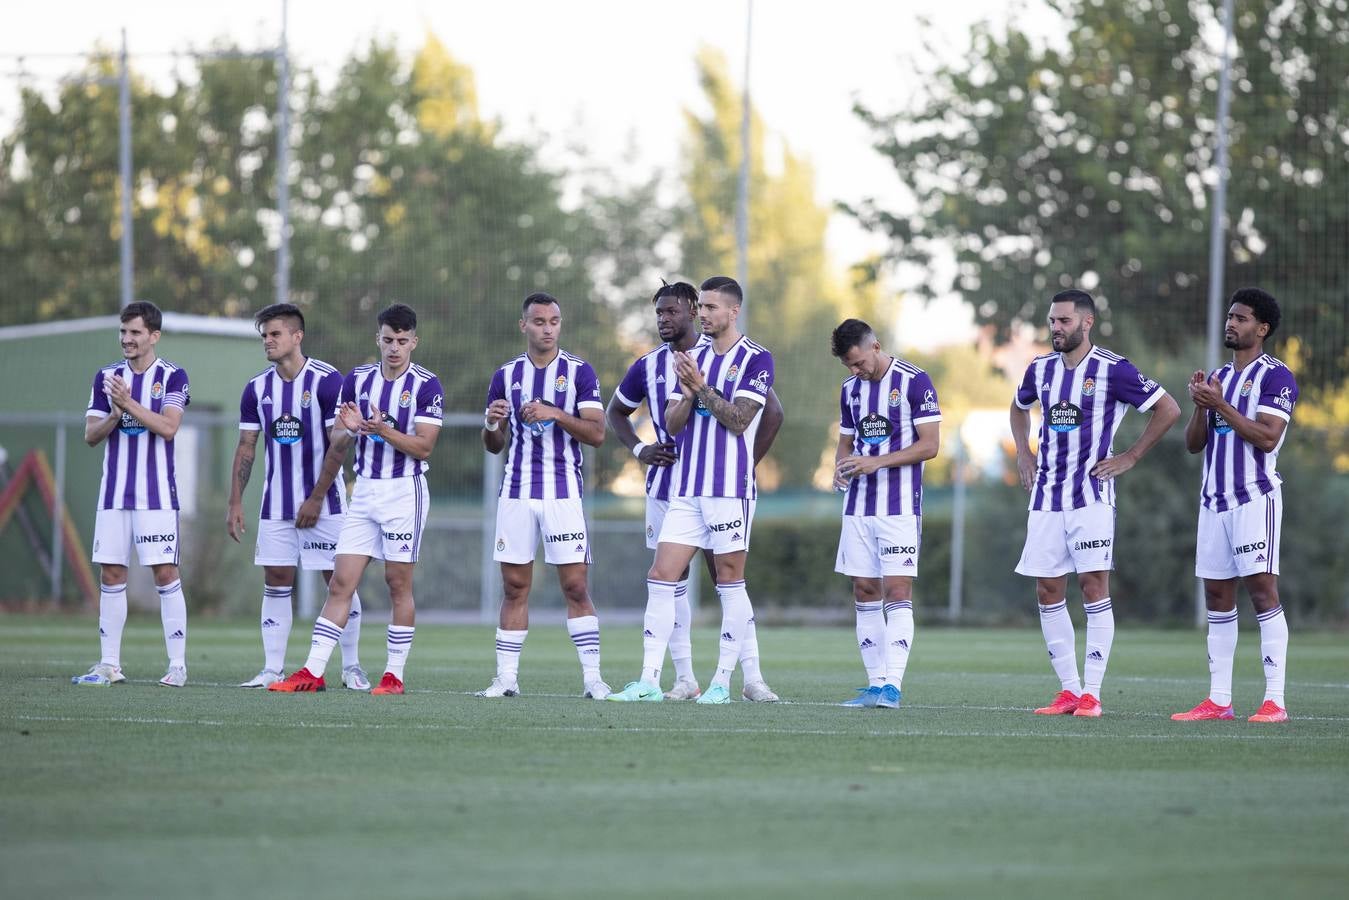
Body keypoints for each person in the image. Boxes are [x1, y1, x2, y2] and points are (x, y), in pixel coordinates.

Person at [605, 281, 784, 702]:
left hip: (728, 490)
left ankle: (724, 682)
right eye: (700, 307)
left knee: (729, 582)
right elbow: (673, 419)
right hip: (686, 488)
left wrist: (701, 388)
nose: (703, 314)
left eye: (709, 307)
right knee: (661, 576)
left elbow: (740, 419)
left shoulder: (756, 358)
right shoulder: (690, 358)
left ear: (733, 310)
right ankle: (649, 680)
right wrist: (686, 394)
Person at [1010, 289, 1180, 717]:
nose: (1056, 328)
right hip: (1047, 496)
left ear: (1087, 323)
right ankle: (1068, 690)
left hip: (1091, 497)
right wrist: (1023, 451)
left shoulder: (1112, 369)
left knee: (1092, 587)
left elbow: (1169, 409)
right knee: (1047, 589)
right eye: (1052, 320)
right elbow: (1018, 408)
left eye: (1064, 321)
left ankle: (1093, 693)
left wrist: (1130, 456)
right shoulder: (1041, 368)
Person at [269, 303, 443, 695]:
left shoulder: (427, 385)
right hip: (364, 491)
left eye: (401, 341)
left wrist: (381, 429)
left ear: (414, 341)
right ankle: (312, 672)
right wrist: (348, 431)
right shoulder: (357, 380)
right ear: (377, 339)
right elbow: (338, 439)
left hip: (404, 492)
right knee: (341, 582)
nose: (394, 348)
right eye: (387, 340)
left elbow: (425, 446)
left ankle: (393, 675)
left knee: (397, 584)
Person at [226, 303, 369, 690]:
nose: (268, 342)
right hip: (276, 504)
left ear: (296, 336)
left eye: (275, 334)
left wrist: (317, 498)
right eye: (264, 336)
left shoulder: (327, 381)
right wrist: (235, 501)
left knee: (338, 581)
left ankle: (351, 666)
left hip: (326, 504)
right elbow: (246, 447)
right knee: (276, 579)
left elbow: (338, 446)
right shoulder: (256, 388)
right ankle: (272, 668)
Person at [477, 292, 611, 700]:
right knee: (515, 588)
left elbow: (597, 434)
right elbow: (493, 445)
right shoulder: (506, 374)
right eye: (539, 321)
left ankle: (593, 679)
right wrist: (491, 423)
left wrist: (556, 413)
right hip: (516, 494)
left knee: (575, 586)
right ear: (524, 326)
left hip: (562, 494)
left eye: (554, 321)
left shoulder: (579, 373)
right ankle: (506, 679)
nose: (547, 328)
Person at [1172, 288, 1298, 723]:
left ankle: (1274, 701)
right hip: (1213, 502)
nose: (1231, 323)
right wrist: (1200, 406)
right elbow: (1193, 445)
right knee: (1217, 597)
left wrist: (1219, 403)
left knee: (1262, 593)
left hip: (1253, 498)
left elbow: (1267, 438)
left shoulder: (1275, 376)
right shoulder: (1219, 376)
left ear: (1261, 329)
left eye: (1241, 318)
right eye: (1229, 316)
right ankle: (1219, 700)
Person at [73, 301, 193, 687]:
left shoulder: (173, 376)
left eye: (135, 332)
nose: (127, 339)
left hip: (156, 496)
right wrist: (112, 413)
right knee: (110, 573)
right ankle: (109, 664)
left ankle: (177, 665)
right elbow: (91, 436)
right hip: (113, 495)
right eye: (123, 332)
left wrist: (128, 403)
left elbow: (169, 427)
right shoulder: (105, 376)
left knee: (165, 573)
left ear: (153, 336)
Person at [829, 319, 941, 709]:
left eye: (859, 362)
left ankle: (893, 685)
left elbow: (930, 446)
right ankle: (875, 684)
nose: (855, 371)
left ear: (875, 346)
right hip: (858, 507)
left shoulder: (915, 381)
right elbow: (845, 443)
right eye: (849, 366)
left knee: (897, 591)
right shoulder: (849, 390)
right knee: (864, 591)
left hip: (899, 509)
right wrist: (840, 467)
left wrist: (878, 462)